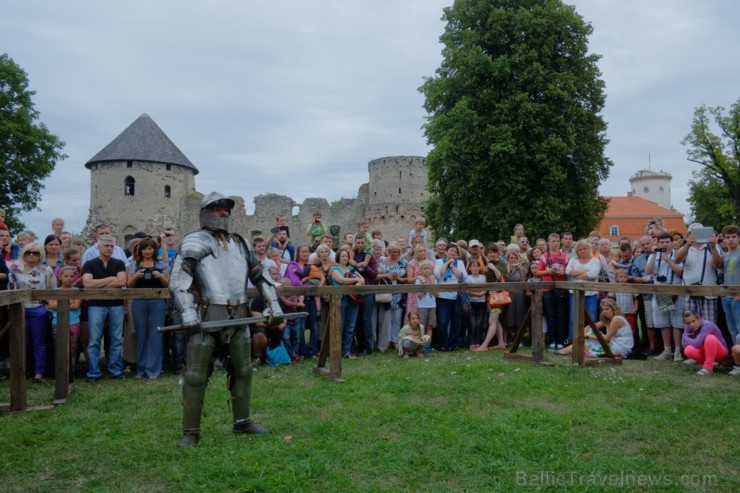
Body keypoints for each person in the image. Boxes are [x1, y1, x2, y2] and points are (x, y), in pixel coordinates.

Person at [169, 192, 284, 447]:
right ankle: (191, 431)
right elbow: (179, 280)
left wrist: (273, 304)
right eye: (218, 208)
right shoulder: (194, 241)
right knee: (197, 376)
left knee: (243, 371)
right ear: (205, 212)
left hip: (240, 316)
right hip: (208, 315)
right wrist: (187, 311)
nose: (224, 213)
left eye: (226, 209)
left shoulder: (241, 243)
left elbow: (261, 276)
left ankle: (242, 422)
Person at [8, 243, 57, 381]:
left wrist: (47, 306)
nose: (31, 255)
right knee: (21, 341)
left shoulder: (46, 270)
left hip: (38, 308)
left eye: (35, 253)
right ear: (24, 253)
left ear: (40, 255)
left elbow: (52, 289)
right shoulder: (15, 269)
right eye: (29, 252)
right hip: (19, 309)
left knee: (39, 342)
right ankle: (21, 371)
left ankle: (39, 372)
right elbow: (10, 288)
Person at [82, 234, 127, 383]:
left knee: (116, 339)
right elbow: (87, 284)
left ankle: (115, 369)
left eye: (111, 246)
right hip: (96, 305)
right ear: (99, 247)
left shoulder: (119, 263)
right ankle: (93, 372)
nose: (109, 248)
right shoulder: (90, 264)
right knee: (94, 340)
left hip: (116, 305)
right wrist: (110, 279)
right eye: (106, 246)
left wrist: (98, 282)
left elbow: (122, 281)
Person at [126, 237, 170, 379]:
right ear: (140, 250)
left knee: (155, 336)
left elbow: (168, 284)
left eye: (150, 248)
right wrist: (136, 277)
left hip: (157, 302)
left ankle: (153, 370)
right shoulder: (133, 265)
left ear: (154, 250)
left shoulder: (162, 264)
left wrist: (160, 277)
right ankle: (141, 369)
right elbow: (129, 285)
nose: (147, 251)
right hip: (138, 302)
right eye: (144, 248)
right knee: (141, 335)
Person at [646, 233, 686, 362]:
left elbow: (680, 272)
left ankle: (678, 351)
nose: (664, 244)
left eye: (667, 242)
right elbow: (648, 271)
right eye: (661, 242)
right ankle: (667, 350)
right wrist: (653, 255)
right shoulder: (654, 256)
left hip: (675, 291)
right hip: (660, 291)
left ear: (671, 242)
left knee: (677, 323)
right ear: (658, 243)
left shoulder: (678, 255)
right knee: (664, 323)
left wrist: (668, 260)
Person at [674, 224, 723, 323]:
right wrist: (687, 245)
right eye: (692, 233)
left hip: (708, 292)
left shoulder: (713, 246)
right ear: (688, 235)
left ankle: (708, 339)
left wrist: (713, 247)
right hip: (689, 292)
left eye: (698, 233)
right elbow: (677, 260)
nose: (696, 236)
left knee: (709, 324)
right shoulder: (686, 248)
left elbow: (718, 265)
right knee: (691, 324)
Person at [558, 298, 634, 358]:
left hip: (622, 347)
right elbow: (589, 326)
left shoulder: (616, 319)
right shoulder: (607, 319)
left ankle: (570, 349)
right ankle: (572, 348)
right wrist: (584, 334)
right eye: (603, 310)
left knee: (591, 334)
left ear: (613, 309)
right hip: (613, 343)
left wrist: (587, 336)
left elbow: (605, 339)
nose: (604, 312)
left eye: (607, 309)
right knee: (591, 330)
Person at [330, 247, 365, 358]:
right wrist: (356, 280)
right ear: (338, 257)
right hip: (341, 299)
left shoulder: (351, 268)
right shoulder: (334, 268)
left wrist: (359, 282)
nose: (345, 258)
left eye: (346, 256)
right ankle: (336, 351)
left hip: (353, 299)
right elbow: (341, 280)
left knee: (350, 327)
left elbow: (362, 280)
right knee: (340, 326)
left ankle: (347, 351)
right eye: (343, 256)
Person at [537, 233, 570, 351]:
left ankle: (560, 340)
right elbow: (537, 272)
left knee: (561, 315)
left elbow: (571, 270)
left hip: (562, 288)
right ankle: (551, 341)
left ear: (560, 242)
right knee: (550, 315)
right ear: (548, 242)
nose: (555, 243)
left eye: (557, 241)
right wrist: (548, 271)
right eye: (553, 241)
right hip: (548, 288)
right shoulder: (544, 256)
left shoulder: (566, 256)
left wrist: (564, 271)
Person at [47, 266, 82, 374]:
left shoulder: (78, 291)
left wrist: (60, 303)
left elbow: (76, 306)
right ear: (60, 277)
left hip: (73, 322)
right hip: (56, 322)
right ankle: (59, 372)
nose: (69, 278)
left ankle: (71, 371)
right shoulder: (55, 291)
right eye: (66, 276)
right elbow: (51, 305)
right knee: (58, 347)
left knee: (72, 348)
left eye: (72, 276)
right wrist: (69, 302)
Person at [376, 242, 408, 352]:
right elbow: (376, 276)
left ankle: (395, 341)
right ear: (388, 251)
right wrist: (387, 275)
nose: (394, 254)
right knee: (385, 319)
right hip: (385, 293)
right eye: (392, 251)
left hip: (399, 294)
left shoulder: (404, 262)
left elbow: (406, 279)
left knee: (397, 319)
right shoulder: (382, 260)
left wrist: (399, 278)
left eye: (397, 252)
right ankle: (385, 342)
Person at [434, 243, 466, 351]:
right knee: (443, 322)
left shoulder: (460, 263)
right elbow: (438, 275)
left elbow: (461, 277)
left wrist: (452, 266)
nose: (453, 253)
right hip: (443, 297)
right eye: (451, 251)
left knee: (456, 323)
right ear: (446, 252)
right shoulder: (438, 262)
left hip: (456, 297)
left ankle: (452, 344)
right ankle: (443, 344)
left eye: (455, 252)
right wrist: (447, 263)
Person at [350, 235, 378, 357]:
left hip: (367, 291)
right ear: (355, 243)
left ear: (366, 243)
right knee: (357, 320)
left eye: (362, 242)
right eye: (358, 242)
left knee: (366, 320)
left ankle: (367, 346)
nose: (360, 244)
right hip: (355, 291)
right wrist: (355, 266)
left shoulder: (371, 257)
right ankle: (360, 345)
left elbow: (374, 275)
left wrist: (365, 266)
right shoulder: (352, 254)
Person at [681, 310, 729, 376]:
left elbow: (697, 343)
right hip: (706, 351)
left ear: (698, 318)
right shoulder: (688, 326)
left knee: (710, 338)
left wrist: (685, 336)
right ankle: (710, 363)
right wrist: (689, 338)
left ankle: (708, 368)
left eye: (693, 321)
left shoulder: (707, 325)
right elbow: (684, 344)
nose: (691, 324)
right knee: (688, 350)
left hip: (720, 352)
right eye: (688, 323)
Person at [564, 239, 601, 324]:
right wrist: (586, 273)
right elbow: (568, 271)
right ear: (577, 251)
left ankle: (590, 337)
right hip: (574, 293)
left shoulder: (595, 261)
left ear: (589, 249)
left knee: (592, 317)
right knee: (573, 317)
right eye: (580, 249)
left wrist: (575, 273)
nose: (582, 251)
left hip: (591, 293)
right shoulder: (573, 260)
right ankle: (572, 337)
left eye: (584, 248)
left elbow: (593, 274)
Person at [719, 225, 739, 344]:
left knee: (739, 326)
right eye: (728, 237)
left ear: (739, 238)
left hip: (738, 295)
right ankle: (736, 357)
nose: (731, 239)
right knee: (731, 329)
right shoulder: (725, 255)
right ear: (724, 240)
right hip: (726, 296)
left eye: (734, 236)